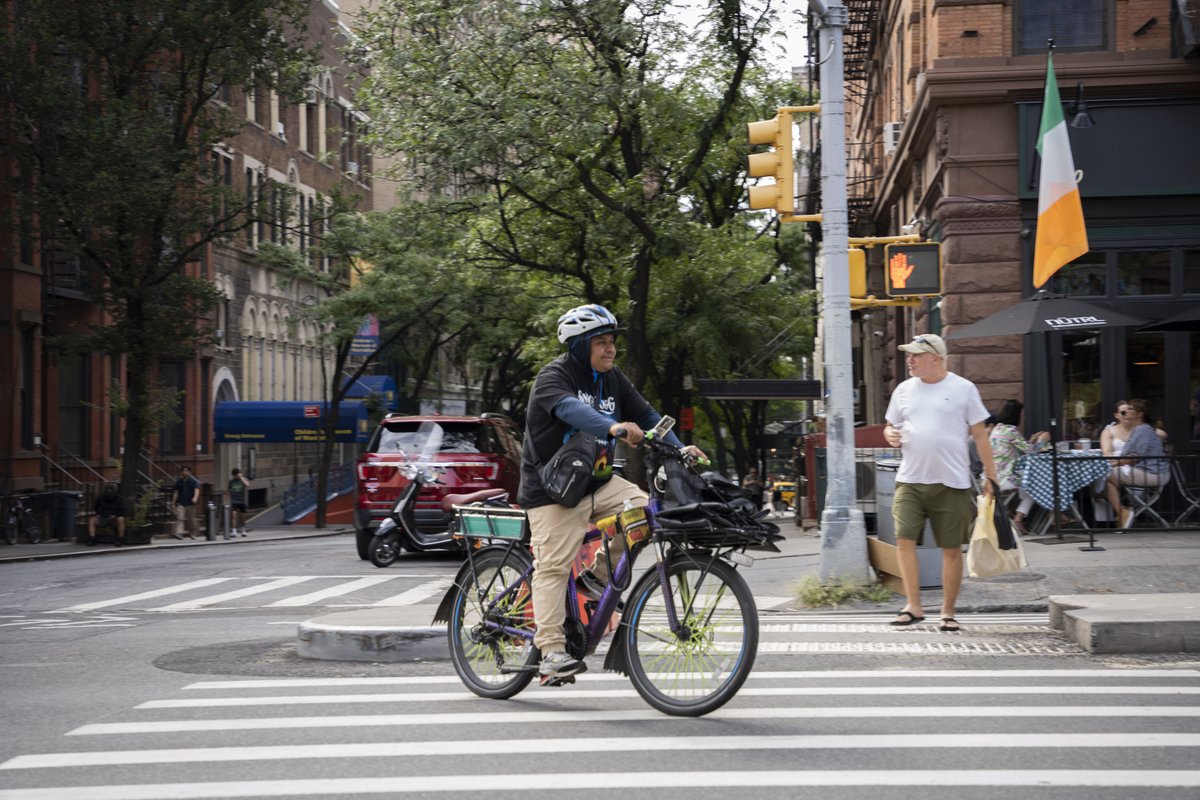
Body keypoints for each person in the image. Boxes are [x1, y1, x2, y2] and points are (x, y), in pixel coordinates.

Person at [519, 304, 706, 681]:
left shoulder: (613, 379)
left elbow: (650, 417)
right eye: (600, 343)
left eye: (611, 343)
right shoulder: (553, 377)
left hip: (598, 482)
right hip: (552, 491)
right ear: (578, 346)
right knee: (553, 566)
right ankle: (552, 652)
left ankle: (596, 577)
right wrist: (614, 427)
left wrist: (681, 447)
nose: (610, 350)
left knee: (644, 513)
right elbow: (571, 410)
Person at [882, 334, 997, 633]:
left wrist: (991, 476)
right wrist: (889, 435)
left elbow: (981, 435)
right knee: (904, 541)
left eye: (916, 355)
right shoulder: (903, 390)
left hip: (952, 482)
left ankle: (948, 611)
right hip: (909, 480)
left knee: (949, 548)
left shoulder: (963, 389)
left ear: (936, 357)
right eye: (908, 355)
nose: (910, 359)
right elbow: (890, 426)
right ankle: (913, 605)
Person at [1102, 398, 1170, 529]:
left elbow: (1134, 457)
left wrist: (1112, 464)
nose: (1127, 410)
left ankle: (1123, 513)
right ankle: (1124, 510)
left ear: (1140, 414)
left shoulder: (1142, 429)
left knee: (1105, 475)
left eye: (1131, 409)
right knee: (1106, 479)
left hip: (1152, 474)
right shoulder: (1140, 429)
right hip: (1148, 472)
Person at [988, 399, 1050, 536]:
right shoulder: (1011, 431)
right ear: (1015, 415)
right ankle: (1018, 519)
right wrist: (1041, 441)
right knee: (1035, 483)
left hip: (991, 478)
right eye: (1022, 414)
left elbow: (1020, 448)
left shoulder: (998, 428)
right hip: (1003, 479)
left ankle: (1018, 518)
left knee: (1030, 483)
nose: (1023, 417)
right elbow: (1031, 452)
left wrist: (1031, 441)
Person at [171, 465, 201, 540]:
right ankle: (179, 533)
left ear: (189, 472)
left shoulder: (193, 481)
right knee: (180, 518)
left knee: (191, 519)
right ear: (181, 472)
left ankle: (192, 533)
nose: (185, 472)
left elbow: (196, 490)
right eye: (183, 470)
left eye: (186, 470)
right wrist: (173, 502)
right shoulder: (178, 481)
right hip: (181, 503)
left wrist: (195, 498)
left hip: (190, 503)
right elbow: (176, 492)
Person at [227, 468, 250, 538]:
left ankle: (243, 530)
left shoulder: (243, 480)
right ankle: (234, 532)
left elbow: (247, 485)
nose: (237, 477)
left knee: (242, 517)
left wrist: (241, 478)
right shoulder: (231, 482)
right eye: (235, 475)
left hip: (241, 501)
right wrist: (227, 496)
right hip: (234, 501)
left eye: (237, 475)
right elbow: (228, 490)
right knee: (233, 516)